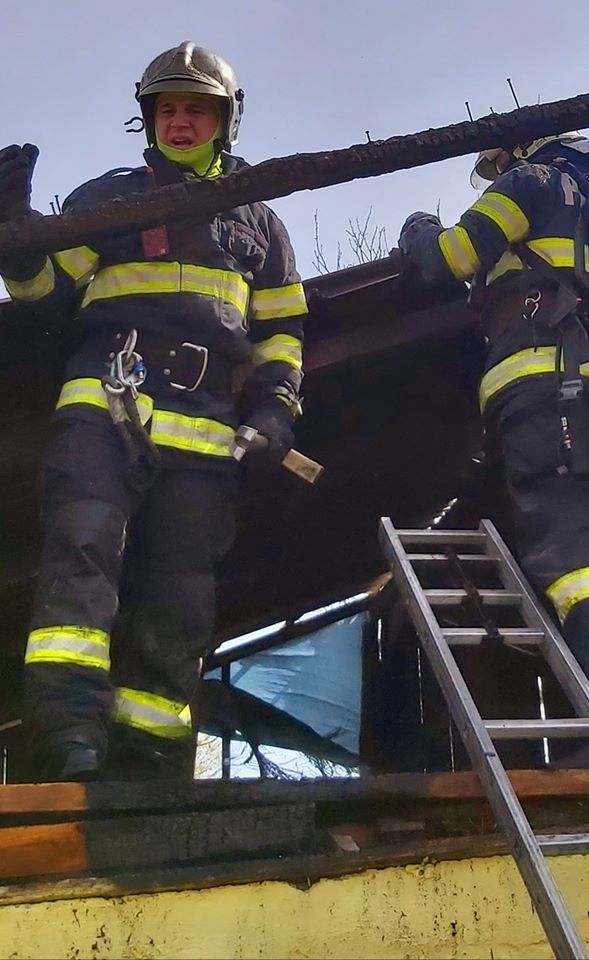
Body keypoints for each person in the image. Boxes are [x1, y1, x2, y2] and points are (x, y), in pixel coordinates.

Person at [0, 42, 307, 780]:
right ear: (149, 119)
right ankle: (68, 735)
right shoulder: (108, 201)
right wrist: (16, 239)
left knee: (179, 595)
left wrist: (276, 409)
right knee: (82, 558)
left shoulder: (259, 224)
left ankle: (153, 757)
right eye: (167, 109)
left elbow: (281, 334)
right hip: (105, 407)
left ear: (224, 121)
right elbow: (44, 295)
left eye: (195, 109)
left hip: (204, 429)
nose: (179, 122)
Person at [396, 133, 589, 766]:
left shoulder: (531, 182)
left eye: (497, 163)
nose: (497, 172)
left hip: (544, 384)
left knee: (570, 551)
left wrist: (417, 229)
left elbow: (452, 257)